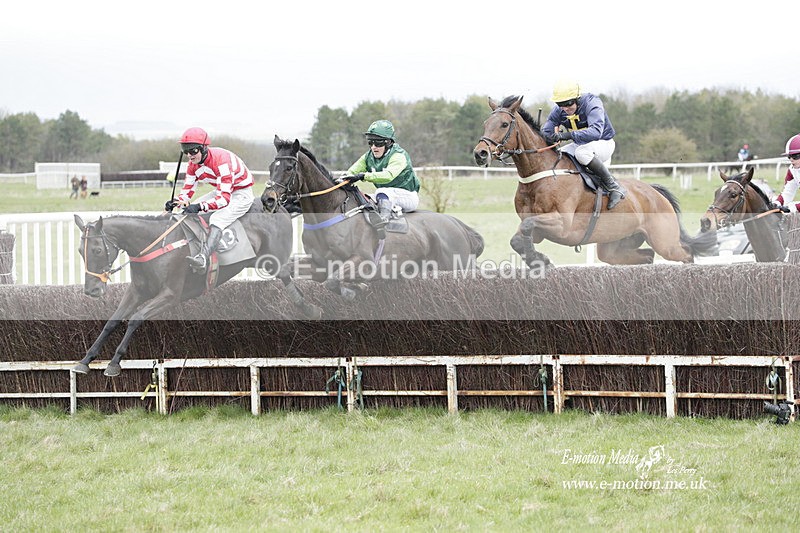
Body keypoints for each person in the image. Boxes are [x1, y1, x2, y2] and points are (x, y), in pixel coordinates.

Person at [165, 127, 255, 271]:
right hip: (222, 190)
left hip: (241, 194)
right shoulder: (192, 165)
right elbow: (187, 192)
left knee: (217, 219)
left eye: (193, 151)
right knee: (186, 212)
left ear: (204, 148)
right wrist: (176, 202)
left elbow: (223, 200)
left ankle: (203, 258)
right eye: (185, 151)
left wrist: (200, 207)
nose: (189, 155)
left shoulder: (222, 162)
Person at [540, 79, 626, 209]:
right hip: (580, 145)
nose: (565, 108)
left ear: (577, 99)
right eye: (560, 104)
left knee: (582, 153)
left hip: (603, 143)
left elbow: (596, 132)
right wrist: (548, 136)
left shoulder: (592, 103)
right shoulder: (559, 111)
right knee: (559, 155)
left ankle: (614, 186)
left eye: (568, 103)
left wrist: (566, 135)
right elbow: (547, 130)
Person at [342, 120, 420, 222]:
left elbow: (388, 176)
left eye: (378, 143)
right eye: (370, 143)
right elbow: (351, 171)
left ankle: (383, 221)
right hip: (386, 196)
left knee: (382, 191)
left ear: (388, 142)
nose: (373, 147)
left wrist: (363, 176)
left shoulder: (399, 156)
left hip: (408, 197)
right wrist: (342, 180)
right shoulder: (368, 157)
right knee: (364, 199)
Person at [770, 134, 800, 213]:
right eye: (789, 156)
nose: (791, 160)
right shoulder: (792, 170)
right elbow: (788, 192)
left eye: (795, 156)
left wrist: (794, 207)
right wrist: (777, 203)